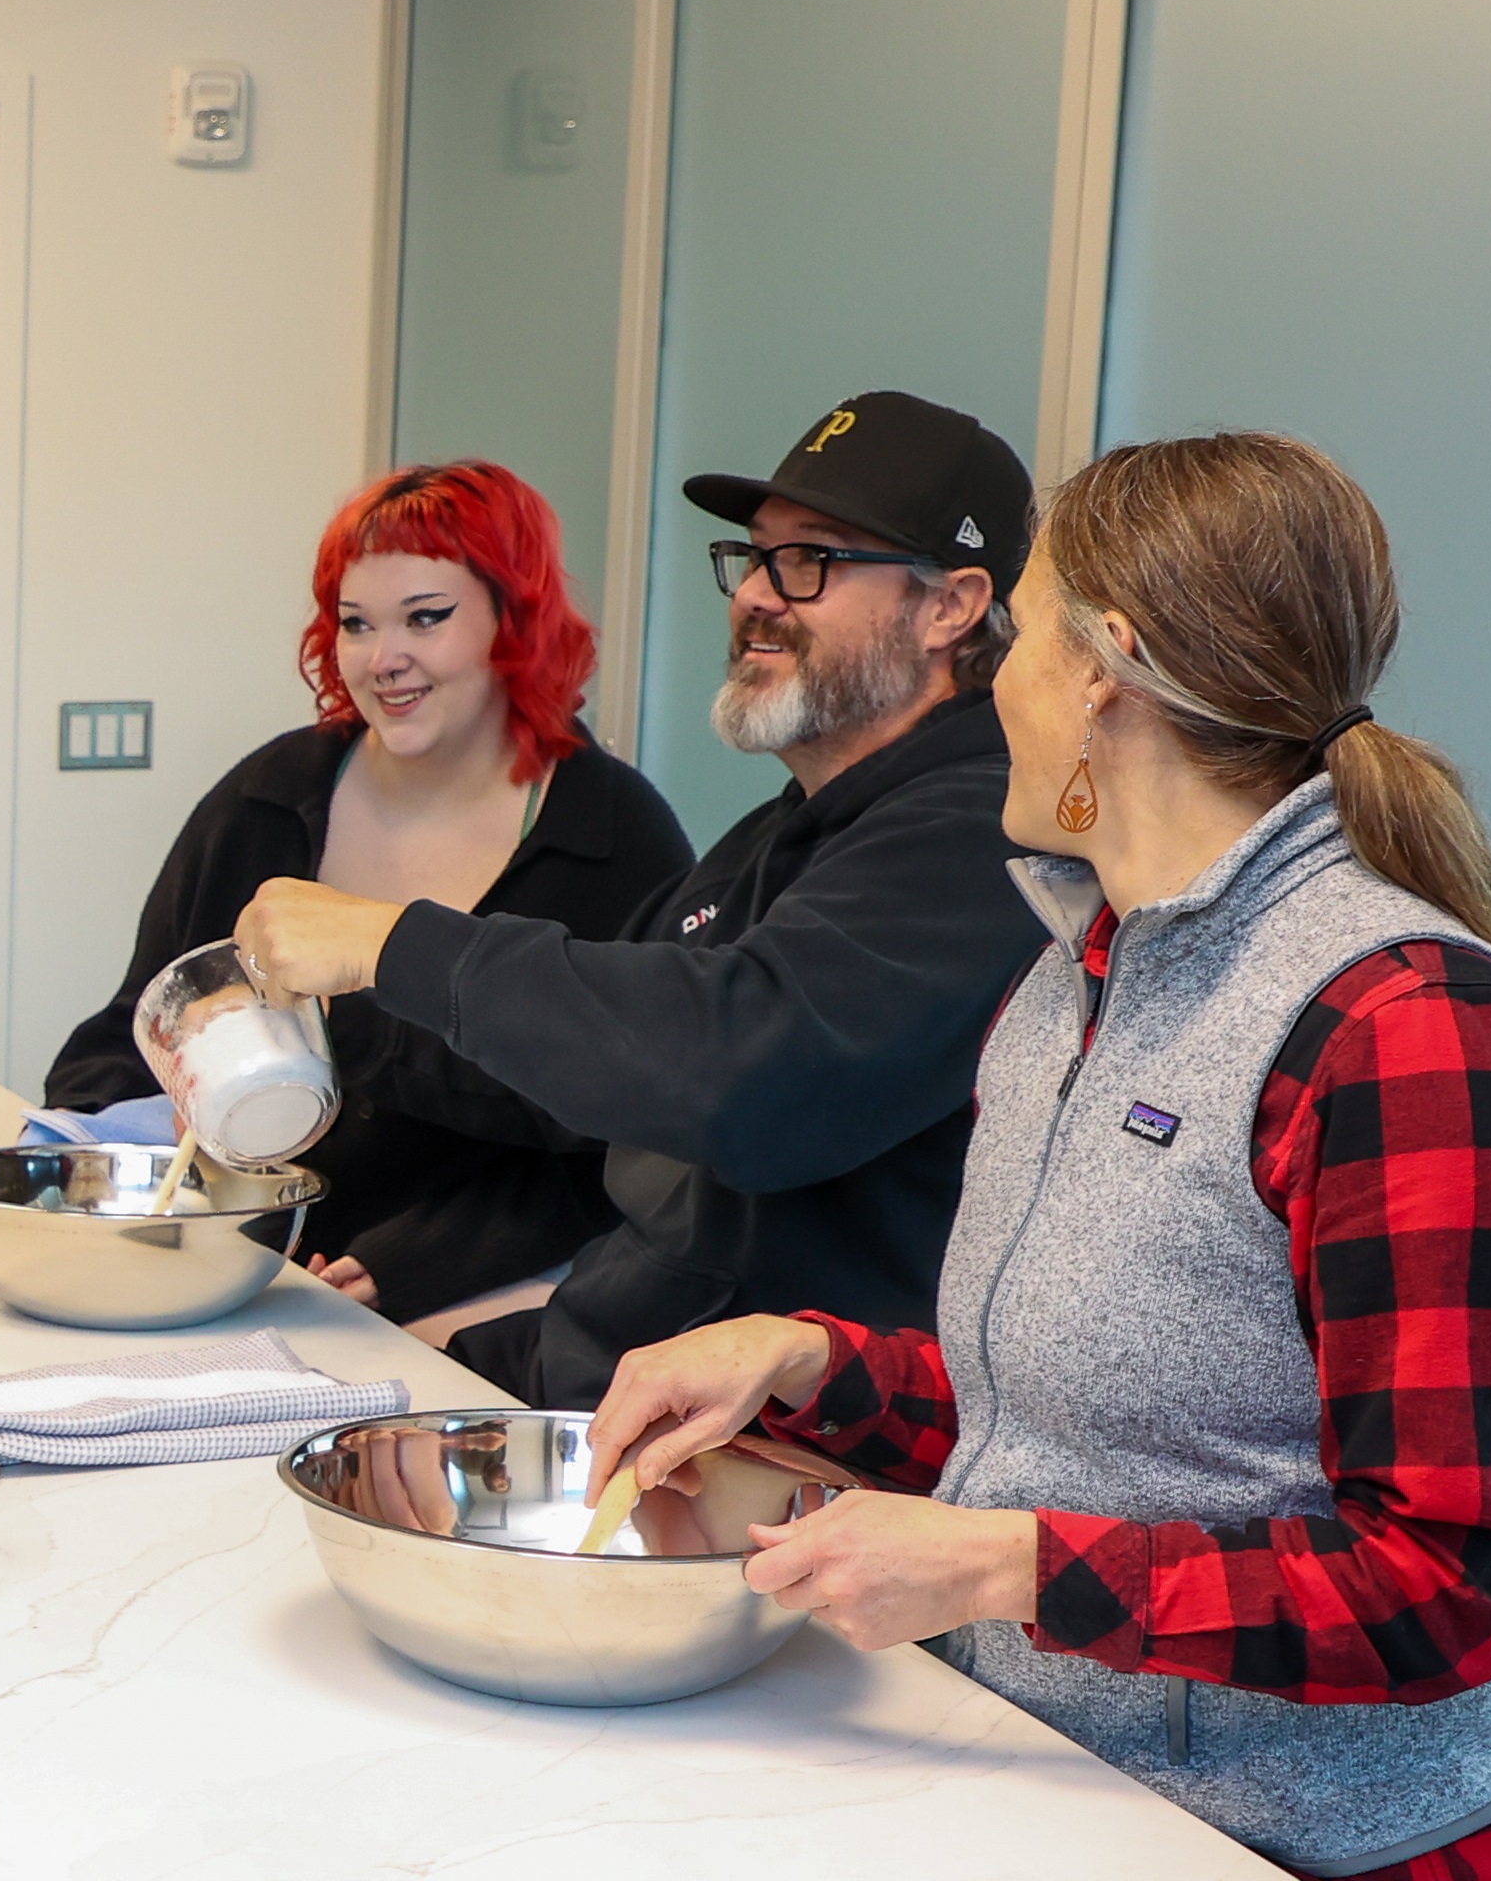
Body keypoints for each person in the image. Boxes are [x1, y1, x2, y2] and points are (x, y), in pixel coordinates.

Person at [587, 433, 1491, 1881]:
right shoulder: (1082, 970)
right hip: (1077, 1783)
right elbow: (1081, 1411)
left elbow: (1449, 1581)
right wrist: (813, 1360)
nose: (989, 682)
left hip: (1342, 1877)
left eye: (1009, 641)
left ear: (1100, 669)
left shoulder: (1400, 1027)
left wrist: (995, 1570)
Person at [233, 392, 1046, 1402]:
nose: (756, 594)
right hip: (605, 1364)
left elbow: (740, 1069)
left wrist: (395, 944)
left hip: (772, 1448)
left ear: (951, 606)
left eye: (812, 562)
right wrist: (308, 1030)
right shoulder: (780, 834)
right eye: (754, 558)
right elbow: (589, 1071)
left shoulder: (983, 837)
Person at [46, 461, 690, 1335]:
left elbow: (630, 1138)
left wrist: (421, 1257)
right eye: (356, 624)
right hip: (227, 1268)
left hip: (466, 1302)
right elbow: (140, 1026)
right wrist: (87, 1164)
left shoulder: (612, 838)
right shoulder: (268, 797)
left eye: (426, 618)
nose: (384, 660)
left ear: (515, 621)